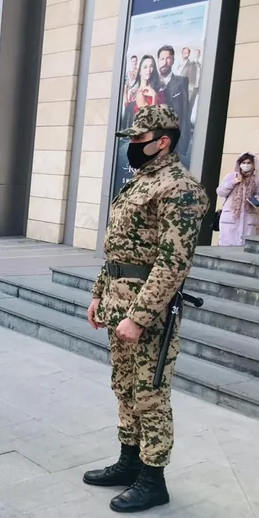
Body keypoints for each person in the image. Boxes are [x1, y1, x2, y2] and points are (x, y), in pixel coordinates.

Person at [84, 105, 208, 513]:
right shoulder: (142, 181)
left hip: (148, 312)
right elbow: (117, 248)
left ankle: (153, 480)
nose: (132, 148)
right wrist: (99, 292)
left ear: (163, 141)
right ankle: (128, 462)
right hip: (117, 300)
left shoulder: (179, 188)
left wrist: (139, 318)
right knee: (124, 387)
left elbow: (173, 263)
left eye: (138, 140)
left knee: (150, 394)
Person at [216, 152, 259, 247]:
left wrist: (253, 200)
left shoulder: (256, 179)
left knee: (244, 247)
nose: (246, 165)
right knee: (227, 245)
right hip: (231, 217)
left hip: (248, 217)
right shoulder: (231, 176)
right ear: (239, 164)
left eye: (249, 163)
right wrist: (233, 182)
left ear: (253, 164)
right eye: (243, 162)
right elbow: (220, 192)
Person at [157, 46, 191, 161]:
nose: (164, 62)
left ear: (173, 60)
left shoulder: (181, 82)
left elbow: (185, 114)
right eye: (162, 59)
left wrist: (182, 145)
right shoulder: (152, 84)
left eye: (168, 59)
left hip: (173, 144)